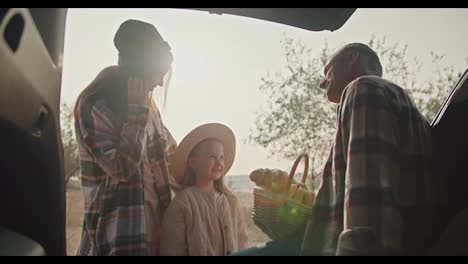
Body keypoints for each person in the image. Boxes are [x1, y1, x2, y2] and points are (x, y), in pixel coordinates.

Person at [233, 43, 447, 256]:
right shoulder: (410, 110)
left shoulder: (364, 88)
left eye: (328, 71)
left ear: (352, 58)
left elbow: (370, 193)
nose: (322, 84)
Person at [74, 19, 177, 256]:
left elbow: (170, 155)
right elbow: (122, 169)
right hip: (118, 235)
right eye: (157, 74)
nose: (161, 82)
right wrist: (136, 113)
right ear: (140, 69)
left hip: (156, 228)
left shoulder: (149, 108)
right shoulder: (95, 104)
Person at [159, 123, 248, 256]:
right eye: (212, 157)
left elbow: (243, 245)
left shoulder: (231, 202)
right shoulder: (182, 204)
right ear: (193, 162)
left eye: (221, 158)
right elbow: (172, 250)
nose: (219, 162)